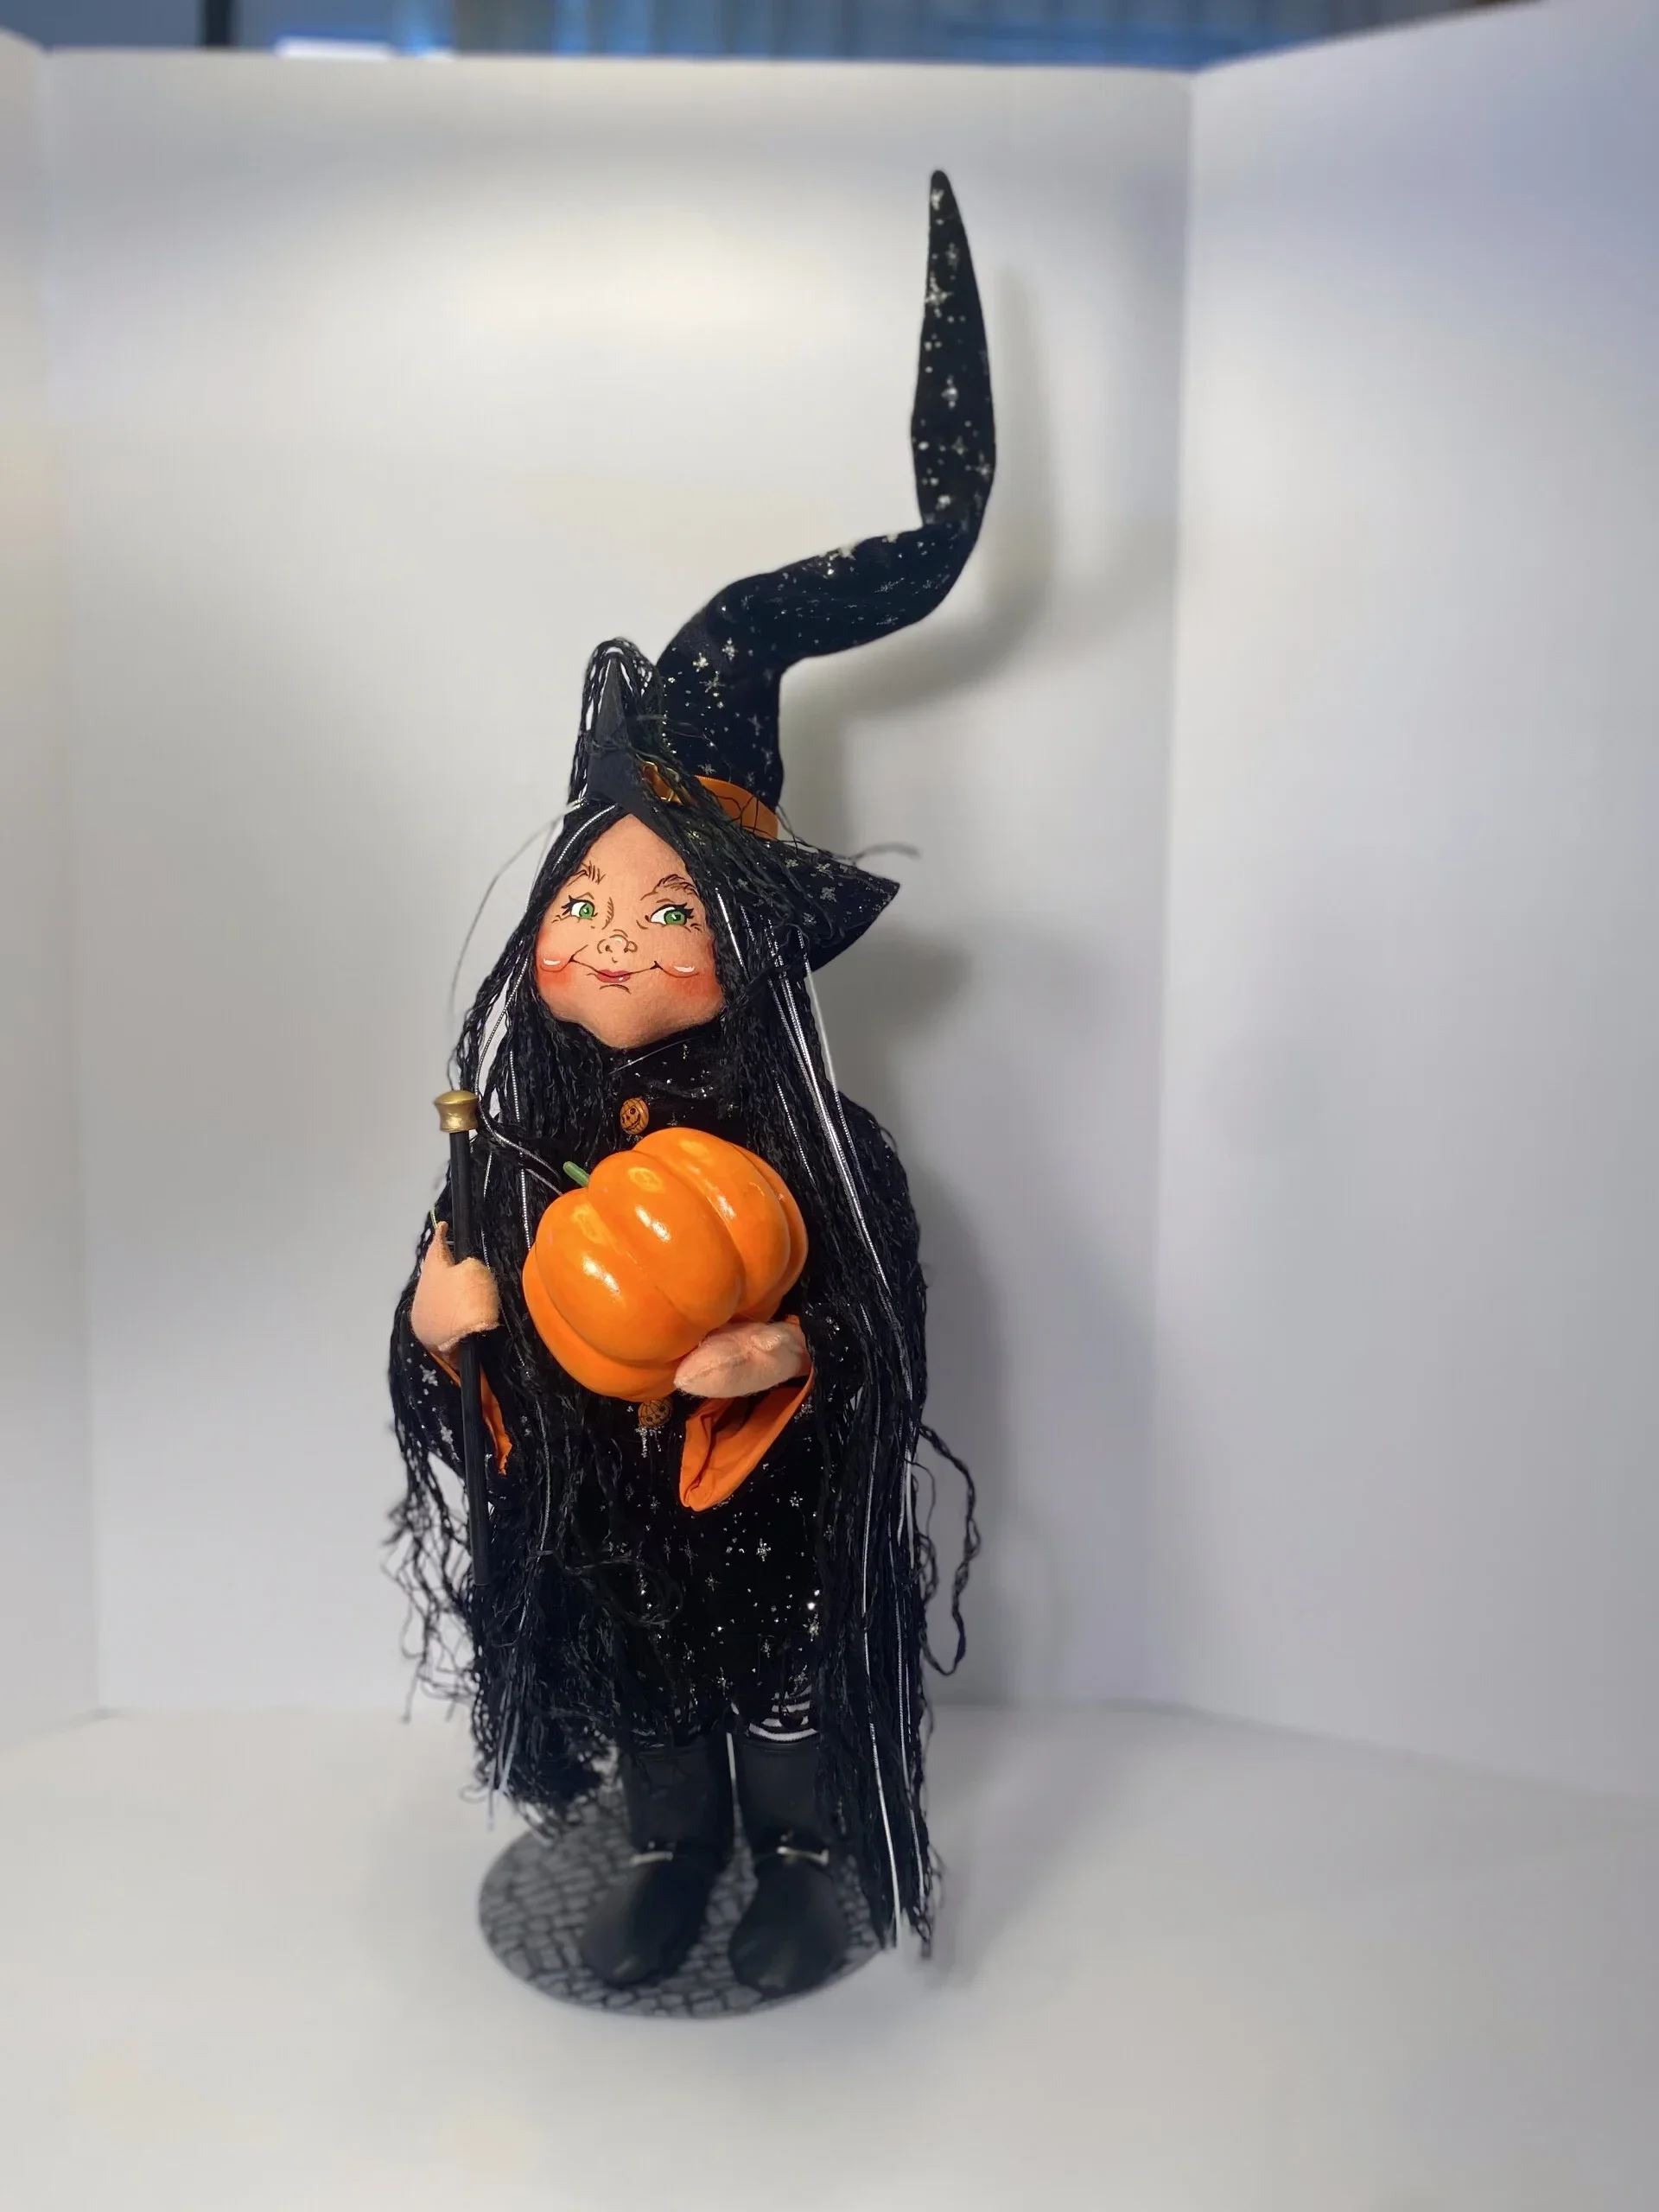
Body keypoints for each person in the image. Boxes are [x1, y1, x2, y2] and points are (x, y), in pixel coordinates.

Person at [389, 172, 992, 1999]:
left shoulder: (813, 1141)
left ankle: (799, 1852)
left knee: (784, 1674)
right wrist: (445, 1320)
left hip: (768, 1500)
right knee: (650, 1681)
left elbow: (880, 1310)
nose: (615, 937)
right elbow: (461, 1288)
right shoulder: (517, 1136)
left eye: (667, 909)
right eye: (586, 903)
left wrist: (796, 1346)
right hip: (609, 1500)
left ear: (749, 943)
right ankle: (672, 1846)